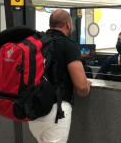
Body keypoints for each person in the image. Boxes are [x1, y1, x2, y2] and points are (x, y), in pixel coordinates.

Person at [29, 9, 91, 143]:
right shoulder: (69, 45)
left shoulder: (37, 42)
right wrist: (86, 86)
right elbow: (81, 87)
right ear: (68, 25)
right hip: (56, 111)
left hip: (33, 108)